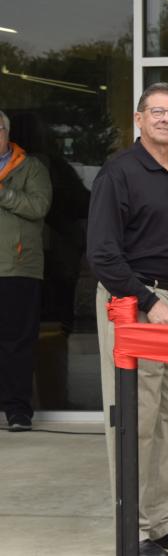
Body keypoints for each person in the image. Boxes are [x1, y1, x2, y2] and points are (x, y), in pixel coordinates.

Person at [87, 84, 168, 556]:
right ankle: (133, 528)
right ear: (138, 119)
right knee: (135, 420)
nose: (165, 120)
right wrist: (146, 299)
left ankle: (164, 521)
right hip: (133, 307)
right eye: (156, 112)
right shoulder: (117, 174)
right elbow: (102, 253)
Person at [0, 109, 52, 433]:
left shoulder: (32, 167)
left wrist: (3, 192)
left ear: (6, 132)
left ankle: (18, 411)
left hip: (18, 268)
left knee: (16, 343)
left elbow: (38, 207)